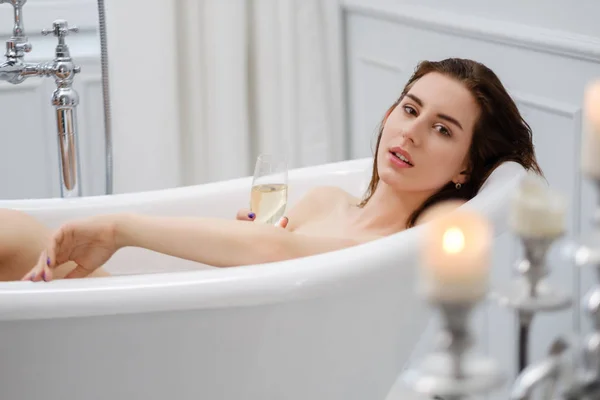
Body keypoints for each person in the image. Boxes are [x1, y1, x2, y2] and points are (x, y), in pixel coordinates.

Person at [0, 57, 541, 282]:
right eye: (409, 107)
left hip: (216, 371)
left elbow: (278, 253)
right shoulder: (324, 200)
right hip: (198, 332)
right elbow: (266, 260)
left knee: (18, 236)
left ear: (466, 167)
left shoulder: (421, 236)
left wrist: (120, 228)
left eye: (443, 129)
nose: (411, 133)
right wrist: (243, 247)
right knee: (17, 233)